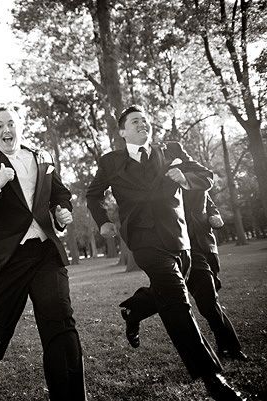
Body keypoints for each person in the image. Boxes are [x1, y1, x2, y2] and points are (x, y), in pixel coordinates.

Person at [86, 105, 244, 401]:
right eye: (135, 121)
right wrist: (103, 221)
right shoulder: (110, 162)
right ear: (122, 131)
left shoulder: (171, 149)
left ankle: (135, 310)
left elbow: (206, 176)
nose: (142, 124)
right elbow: (93, 195)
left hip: (179, 238)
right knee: (177, 301)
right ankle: (213, 380)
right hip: (143, 240)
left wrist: (185, 180)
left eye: (145, 120)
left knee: (170, 291)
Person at [0, 105, 86, 400]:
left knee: (61, 324)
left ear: (20, 126)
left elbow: (60, 193)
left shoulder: (42, 158)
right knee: (1, 323)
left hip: (45, 253)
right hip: (6, 259)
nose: (6, 129)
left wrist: (61, 210)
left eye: (11, 123)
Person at [119, 190, 246, 361]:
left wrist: (214, 214)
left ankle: (135, 311)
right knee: (197, 297)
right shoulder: (161, 178)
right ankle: (230, 348)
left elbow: (207, 200)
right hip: (176, 246)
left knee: (192, 296)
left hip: (202, 244)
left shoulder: (195, 178)